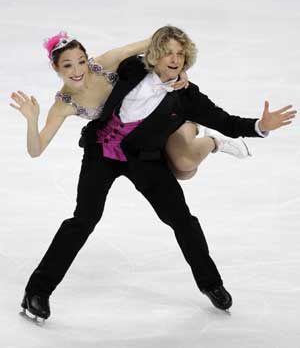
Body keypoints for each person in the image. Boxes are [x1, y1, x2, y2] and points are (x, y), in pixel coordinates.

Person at [18, 25, 296, 320]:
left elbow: (226, 120)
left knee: (182, 219)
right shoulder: (130, 69)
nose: (173, 60)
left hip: (144, 158)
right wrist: (32, 120)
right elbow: (143, 47)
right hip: (102, 151)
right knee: (83, 219)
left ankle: (211, 284)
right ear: (155, 55)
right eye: (167, 53)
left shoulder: (187, 96)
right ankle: (37, 291)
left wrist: (260, 127)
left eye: (179, 55)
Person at [10, 31, 252, 183]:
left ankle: (215, 141)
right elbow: (36, 150)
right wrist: (32, 121)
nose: (77, 71)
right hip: (140, 135)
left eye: (81, 61)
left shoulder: (105, 63)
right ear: (56, 68)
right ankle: (198, 144)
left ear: (87, 58)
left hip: (165, 113)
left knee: (186, 163)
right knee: (184, 174)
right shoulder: (63, 105)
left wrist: (180, 69)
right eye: (68, 65)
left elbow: (161, 40)